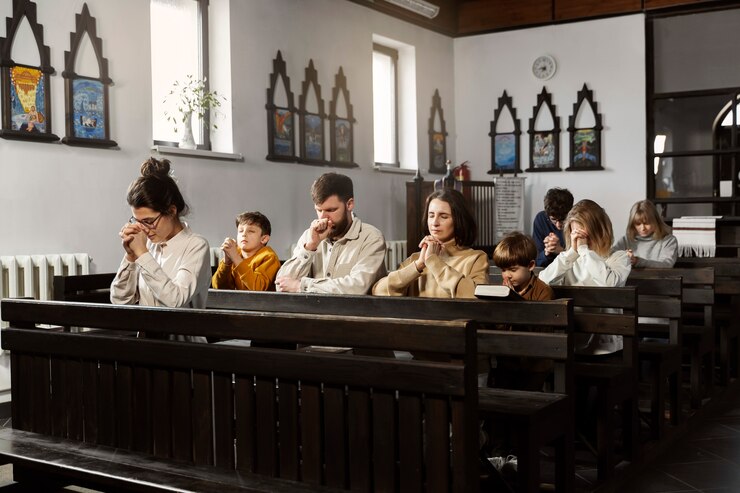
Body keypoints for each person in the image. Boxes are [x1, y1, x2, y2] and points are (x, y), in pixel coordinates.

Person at [110, 158, 211, 339]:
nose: (144, 229)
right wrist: (131, 257)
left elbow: (175, 301)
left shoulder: (196, 245)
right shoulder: (146, 245)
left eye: (148, 221)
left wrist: (141, 253)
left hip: (185, 350)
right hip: (147, 344)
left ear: (171, 211)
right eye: (137, 222)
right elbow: (120, 301)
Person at [539, 199, 631, 355]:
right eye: (575, 234)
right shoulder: (569, 259)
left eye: (583, 235)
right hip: (570, 343)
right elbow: (542, 282)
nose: (580, 240)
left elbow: (610, 285)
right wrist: (571, 253)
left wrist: (584, 250)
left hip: (605, 345)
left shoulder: (619, 257)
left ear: (599, 230)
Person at [275, 172, 387, 294]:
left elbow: (358, 287)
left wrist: (301, 286)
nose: (323, 218)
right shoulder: (310, 236)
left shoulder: (371, 238)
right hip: (312, 312)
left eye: (331, 210)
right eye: (319, 210)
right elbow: (281, 285)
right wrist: (310, 247)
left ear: (349, 204)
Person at [372, 188, 489, 298]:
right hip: (415, 319)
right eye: (431, 215)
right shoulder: (416, 259)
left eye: (443, 217)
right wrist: (418, 265)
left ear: (459, 220)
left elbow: (475, 296)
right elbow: (378, 292)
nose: (434, 222)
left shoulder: (476, 258)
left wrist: (433, 261)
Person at [490, 231, 554, 390]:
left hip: (535, 363)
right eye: (503, 270)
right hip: (508, 360)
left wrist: (514, 301)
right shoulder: (503, 289)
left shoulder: (543, 291)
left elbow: (541, 331)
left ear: (531, 265)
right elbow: (498, 328)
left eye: (512, 269)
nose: (507, 275)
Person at [212, 211, 280, 291]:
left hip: (262, 303)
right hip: (237, 302)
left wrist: (236, 258)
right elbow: (217, 287)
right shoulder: (237, 253)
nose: (244, 234)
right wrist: (227, 262)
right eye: (240, 231)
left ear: (264, 239)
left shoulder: (269, 257)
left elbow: (258, 289)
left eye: (251, 231)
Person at [613, 199, 677, 269]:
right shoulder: (625, 240)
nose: (642, 228)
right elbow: (610, 257)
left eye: (646, 223)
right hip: (631, 279)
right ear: (632, 224)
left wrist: (637, 261)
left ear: (655, 221)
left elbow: (666, 264)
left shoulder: (669, 240)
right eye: (638, 224)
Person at [532, 188, 574, 268]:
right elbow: (536, 261)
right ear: (547, 214)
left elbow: (582, 262)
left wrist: (560, 251)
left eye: (563, 219)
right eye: (553, 220)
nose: (558, 225)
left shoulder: (578, 221)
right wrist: (547, 252)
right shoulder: (541, 219)